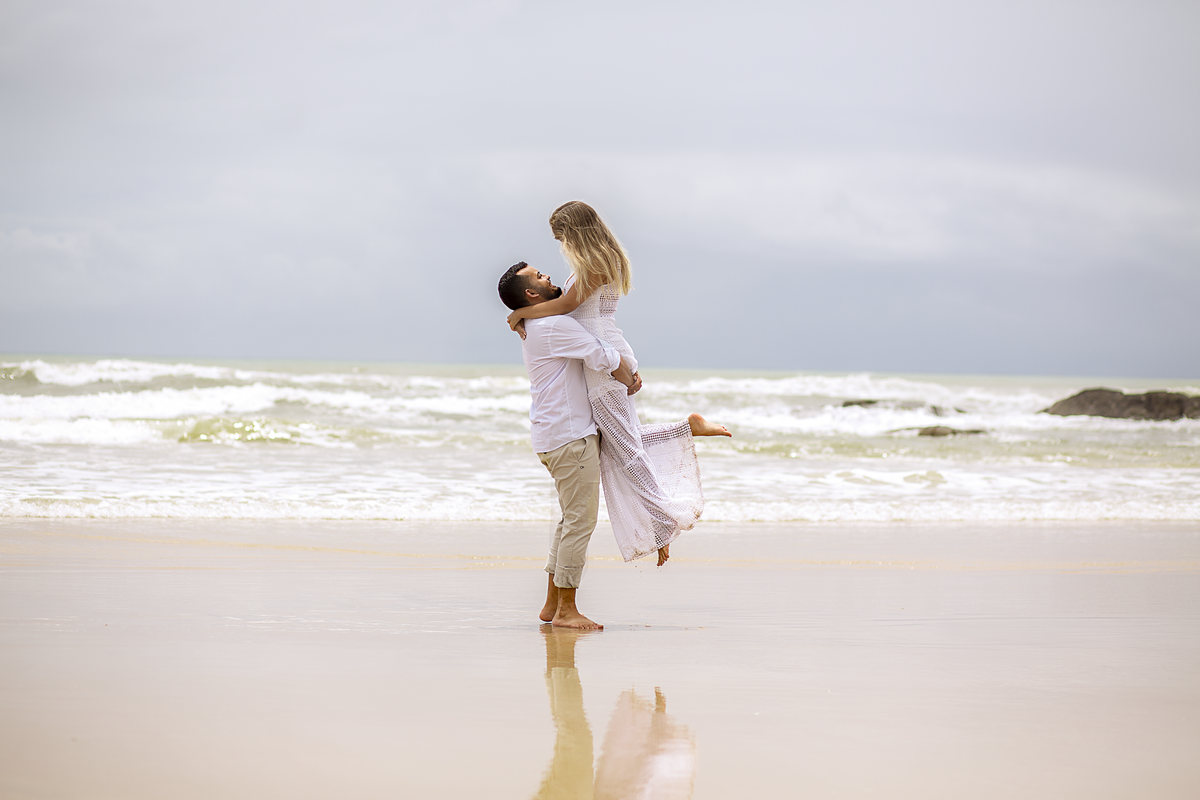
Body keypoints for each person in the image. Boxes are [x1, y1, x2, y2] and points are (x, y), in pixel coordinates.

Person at [506, 201, 731, 568]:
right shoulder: (599, 261)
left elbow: (566, 307)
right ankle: (685, 429)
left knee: (625, 450)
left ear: (574, 233)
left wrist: (519, 313)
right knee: (619, 444)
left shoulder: (594, 265)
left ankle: (664, 520)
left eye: (562, 237)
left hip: (604, 363)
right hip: (606, 356)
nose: (561, 246)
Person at [498, 261, 640, 630]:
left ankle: (551, 605)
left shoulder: (535, 323)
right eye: (540, 276)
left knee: (568, 523)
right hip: (569, 437)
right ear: (532, 293)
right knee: (580, 523)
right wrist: (629, 377)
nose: (548, 276)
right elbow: (603, 355)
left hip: (553, 436)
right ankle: (566, 611)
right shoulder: (552, 325)